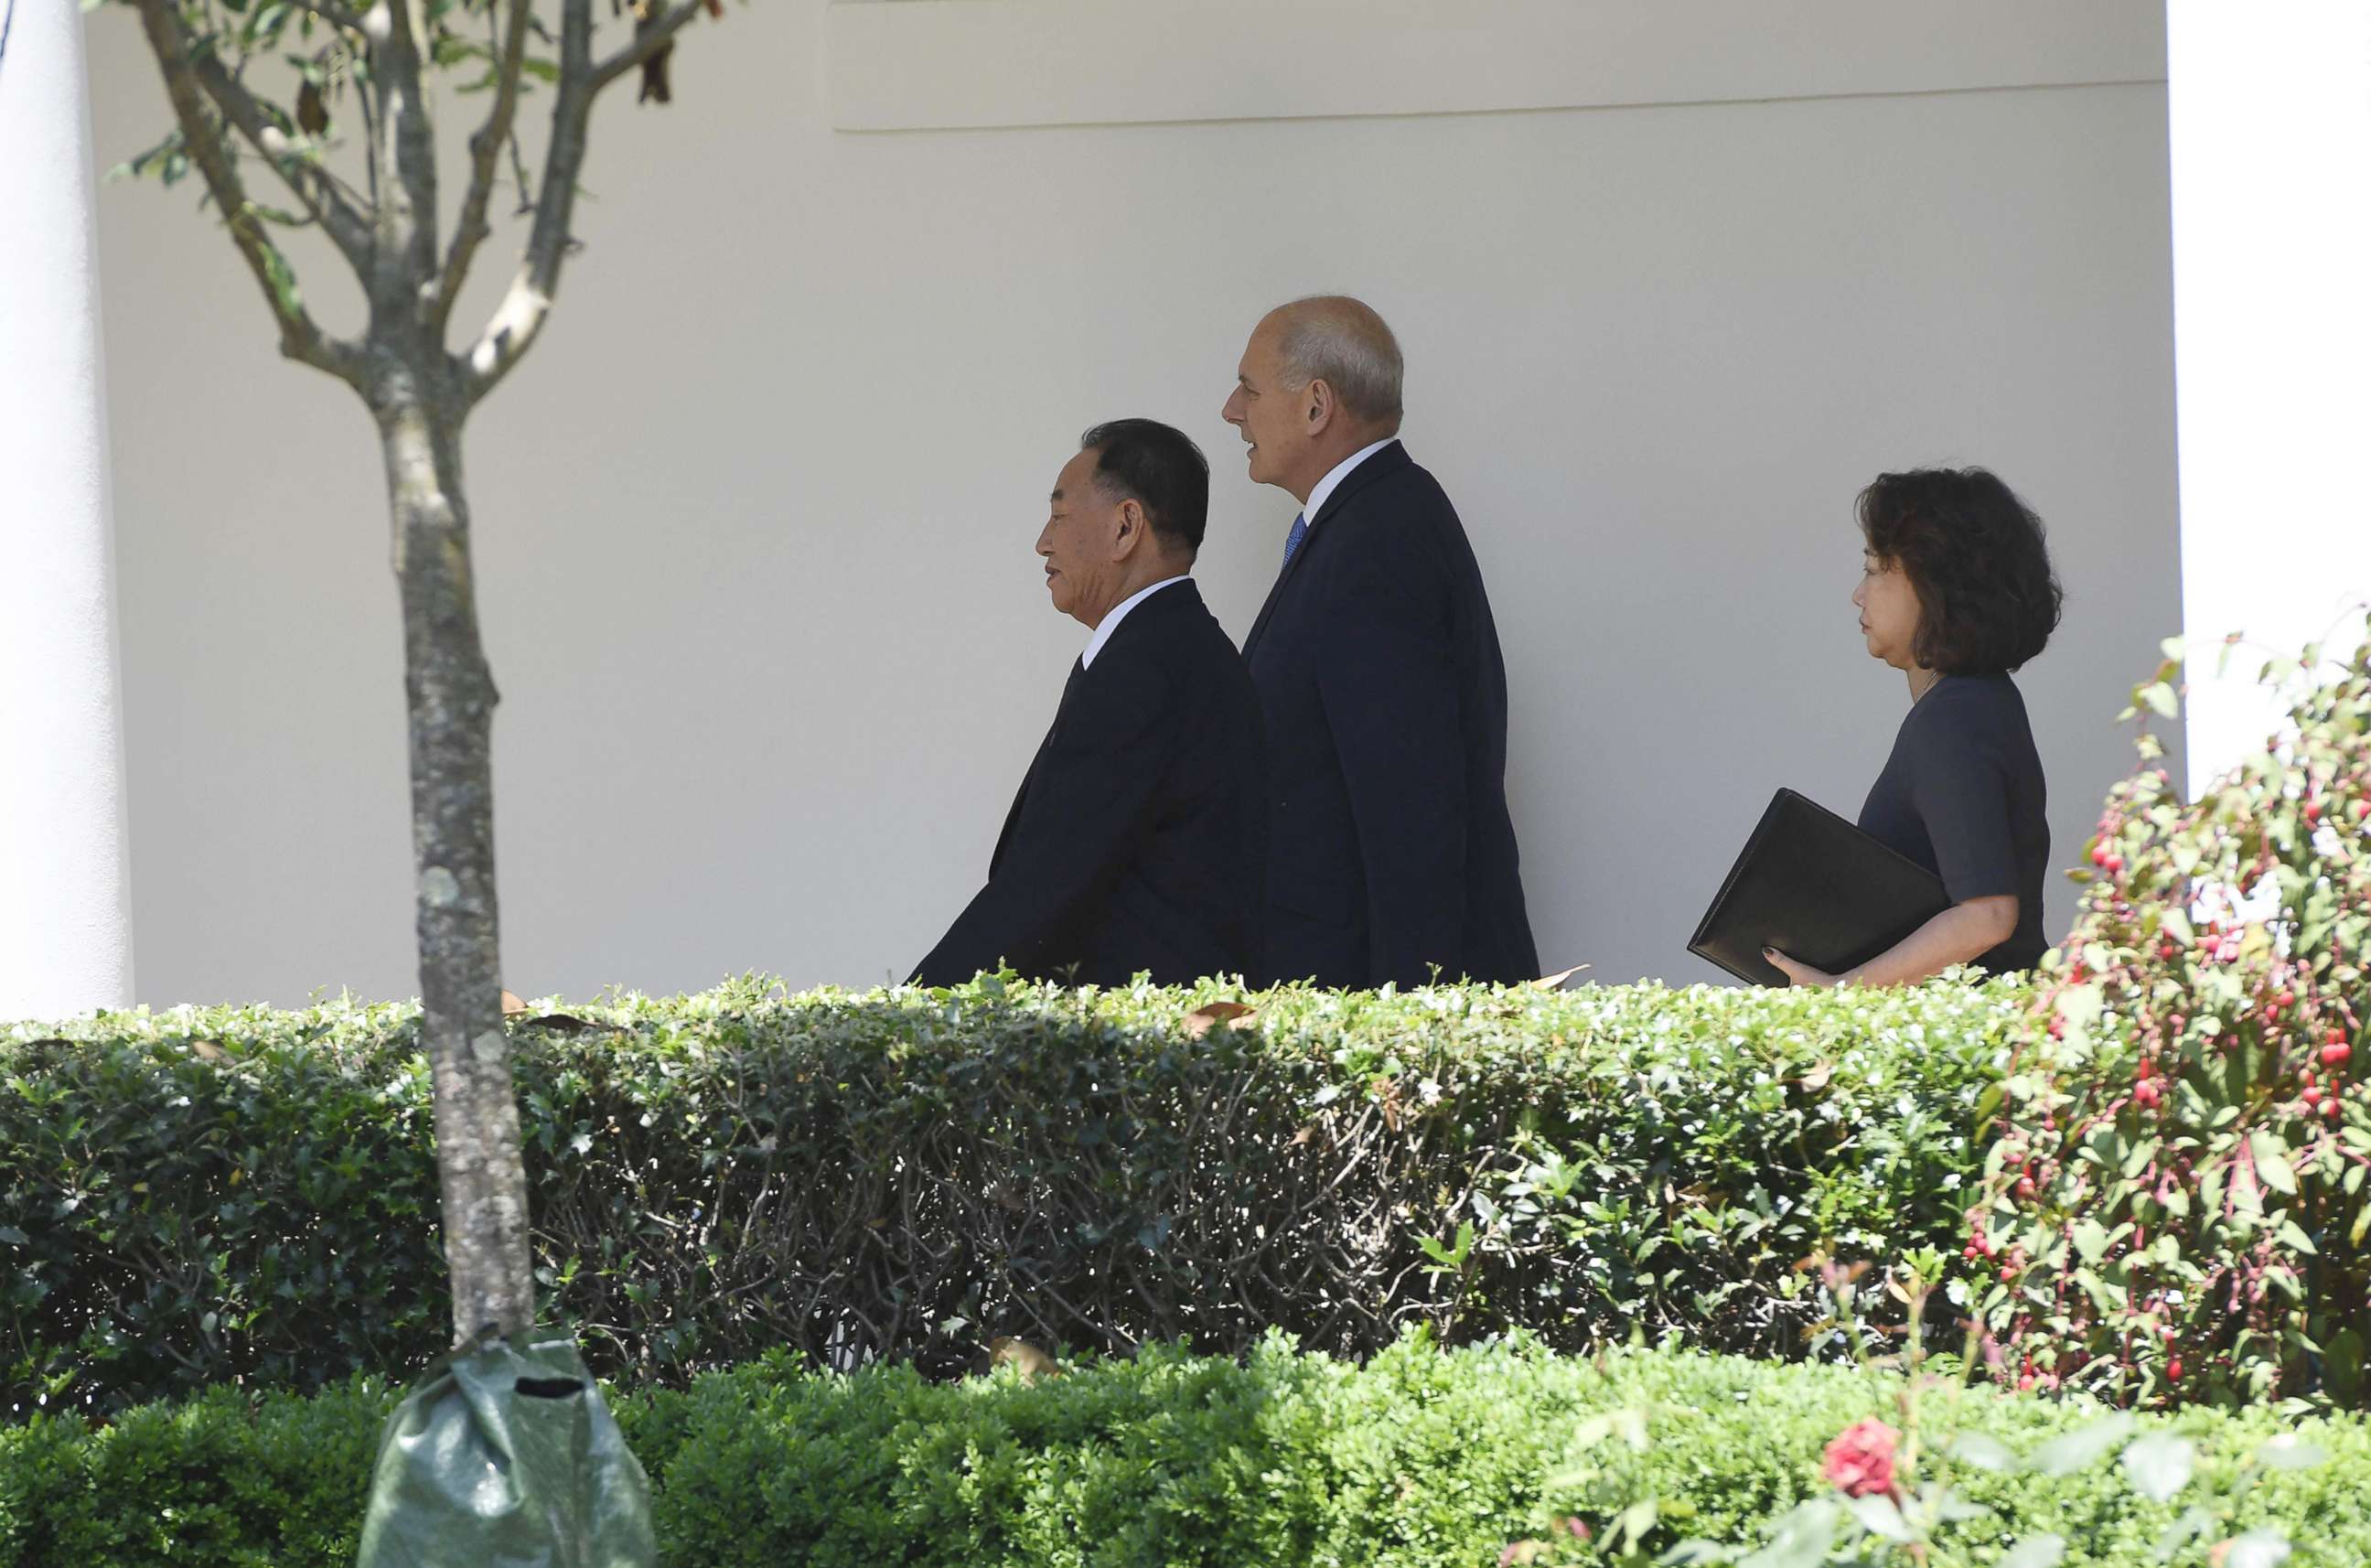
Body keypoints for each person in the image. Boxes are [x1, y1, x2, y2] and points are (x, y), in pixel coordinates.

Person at [1221, 296, 1538, 988]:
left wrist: (1405, 1032)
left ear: (1315, 406)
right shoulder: (1370, 522)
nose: (1231, 412)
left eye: (1248, 389)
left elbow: (1412, 812)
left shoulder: (1377, 542)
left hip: (1379, 1013)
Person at [910, 420, 1267, 988]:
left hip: (1142, 1046)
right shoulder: (1172, 649)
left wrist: (902, 1022)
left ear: (1126, 527)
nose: (1042, 542)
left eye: (1059, 515)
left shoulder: (1148, 668)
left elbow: (1046, 884)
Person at [1765, 467, 2062, 987]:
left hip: (1978, 1041)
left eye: (1877, 569)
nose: (1859, 594)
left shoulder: (1956, 716)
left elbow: (1988, 913)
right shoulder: (1975, 705)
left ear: (1936, 585)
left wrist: (1845, 991)